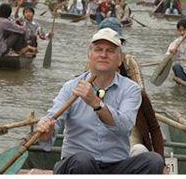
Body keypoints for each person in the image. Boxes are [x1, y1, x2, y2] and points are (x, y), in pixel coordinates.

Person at [34, 28, 165, 174]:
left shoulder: (131, 89)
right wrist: (46, 130)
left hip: (116, 166)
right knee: (83, 161)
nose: (103, 55)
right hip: (77, 164)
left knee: (154, 161)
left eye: (110, 50)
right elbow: (53, 120)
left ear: (120, 60)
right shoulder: (71, 87)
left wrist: (96, 103)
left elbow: (125, 125)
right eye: (98, 50)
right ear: (90, 56)